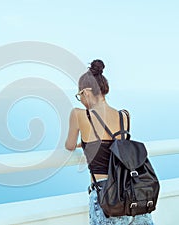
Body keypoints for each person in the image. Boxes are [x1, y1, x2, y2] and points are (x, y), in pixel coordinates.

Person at [65, 59, 154, 225]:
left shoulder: (80, 114)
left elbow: (69, 145)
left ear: (86, 92)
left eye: (79, 96)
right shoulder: (124, 116)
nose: (81, 101)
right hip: (132, 194)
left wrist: (84, 144)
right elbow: (116, 147)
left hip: (105, 197)